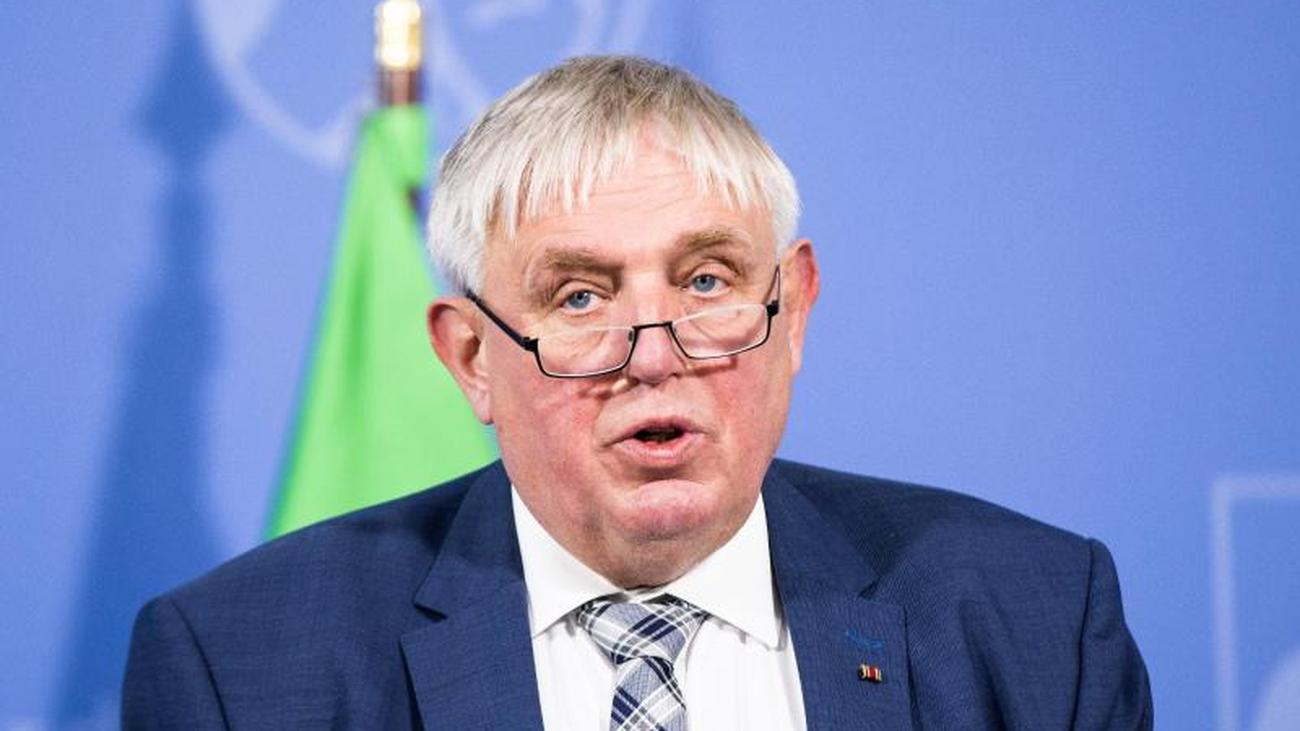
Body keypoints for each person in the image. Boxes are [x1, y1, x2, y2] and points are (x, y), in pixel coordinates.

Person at [123, 55, 1152, 729]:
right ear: (471, 357)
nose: (653, 355)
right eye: (579, 295)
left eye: (706, 281)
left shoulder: (1030, 620)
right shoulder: (245, 669)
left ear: (793, 308)